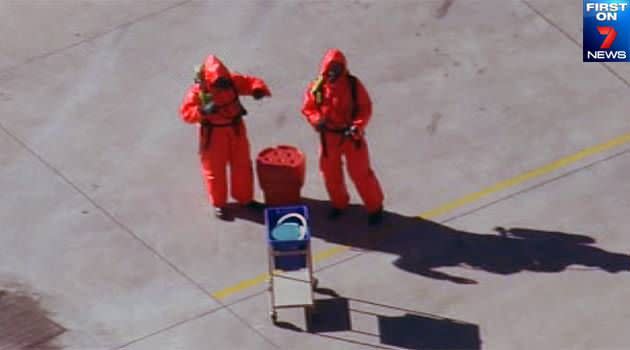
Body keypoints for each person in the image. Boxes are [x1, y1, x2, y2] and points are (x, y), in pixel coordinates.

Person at [180, 54, 271, 219]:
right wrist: (202, 111)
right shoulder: (199, 92)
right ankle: (219, 203)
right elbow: (186, 113)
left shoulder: (232, 81)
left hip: (236, 130)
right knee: (215, 171)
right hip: (213, 134)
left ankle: (245, 199)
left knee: (242, 166)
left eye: (224, 81)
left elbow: (251, 82)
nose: (222, 85)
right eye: (219, 82)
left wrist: (258, 90)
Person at [301, 49, 384, 225]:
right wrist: (317, 120)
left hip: (351, 137)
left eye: (338, 68)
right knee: (330, 174)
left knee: (361, 174)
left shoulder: (353, 85)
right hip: (329, 137)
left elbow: (365, 107)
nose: (334, 72)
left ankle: (375, 207)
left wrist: (357, 126)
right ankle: (339, 203)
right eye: (331, 68)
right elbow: (309, 108)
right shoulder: (317, 87)